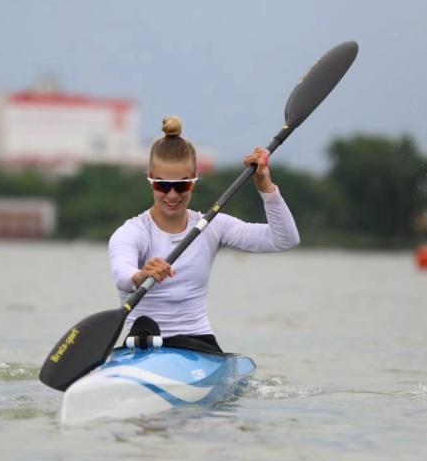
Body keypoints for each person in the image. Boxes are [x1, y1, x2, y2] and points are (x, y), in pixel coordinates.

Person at [109, 116, 300, 353]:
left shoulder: (211, 226)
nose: (171, 194)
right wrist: (139, 276)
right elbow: (121, 272)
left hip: (198, 344)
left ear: (194, 180)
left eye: (181, 185)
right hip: (142, 343)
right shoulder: (132, 232)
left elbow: (285, 239)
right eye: (162, 184)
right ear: (151, 180)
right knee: (142, 332)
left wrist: (265, 185)